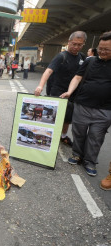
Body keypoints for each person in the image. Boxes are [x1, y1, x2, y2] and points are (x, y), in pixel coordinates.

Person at [60, 31, 111, 176]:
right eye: (100, 48)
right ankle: (77, 154)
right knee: (79, 133)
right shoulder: (90, 61)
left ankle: (90, 161)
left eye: (106, 49)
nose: (102, 51)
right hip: (82, 105)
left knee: (96, 137)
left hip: (105, 110)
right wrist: (70, 92)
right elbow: (77, 77)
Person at [34, 31, 87, 147]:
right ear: (69, 42)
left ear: (83, 44)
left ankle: (63, 136)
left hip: (72, 92)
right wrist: (40, 86)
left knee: (67, 117)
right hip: (57, 91)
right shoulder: (61, 56)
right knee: (53, 116)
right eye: (74, 44)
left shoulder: (82, 57)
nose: (76, 47)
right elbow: (48, 71)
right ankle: (48, 136)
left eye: (79, 45)